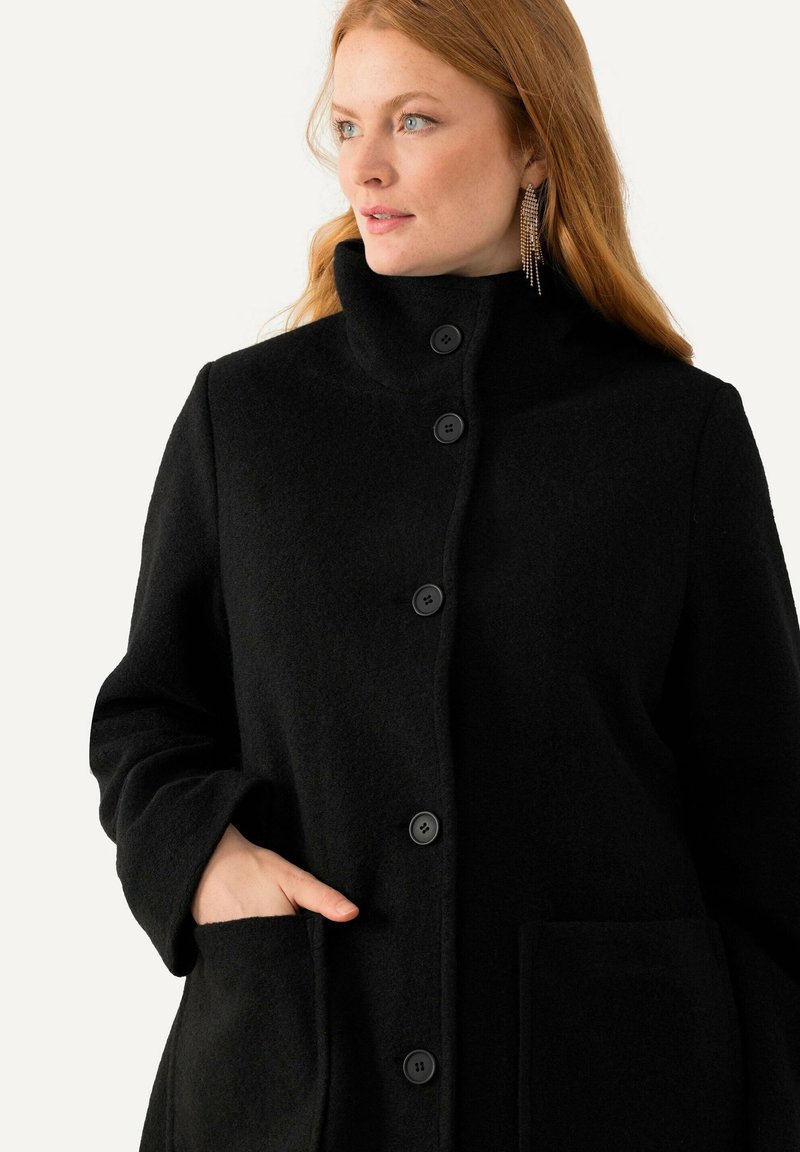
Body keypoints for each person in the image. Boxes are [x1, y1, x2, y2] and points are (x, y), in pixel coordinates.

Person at [88, 1, 800, 1150]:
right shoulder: (246, 418)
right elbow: (149, 715)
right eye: (345, 124)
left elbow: (766, 812)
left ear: (535, 143)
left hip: (605, 1088)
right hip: (293, 1079)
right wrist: (202, 859)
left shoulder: (676, 433)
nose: (363, 166)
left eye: (413, 121)